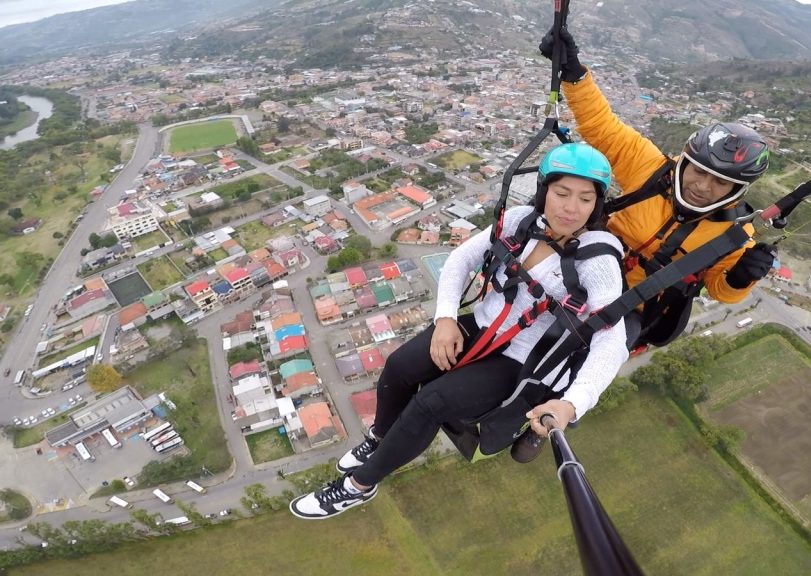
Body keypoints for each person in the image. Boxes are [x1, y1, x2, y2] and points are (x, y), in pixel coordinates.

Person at [291, 143, 629, 520]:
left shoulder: (598, 260)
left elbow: (612, 339)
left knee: (430, 403)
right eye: (562, 193)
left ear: (596, 206)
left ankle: (359, 485)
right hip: (481, 325)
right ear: (544, 191)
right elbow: (460, 259)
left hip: (520, 359)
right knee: (399, 367)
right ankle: (380, 438)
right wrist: (446, 319)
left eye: (585, 199)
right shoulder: (521, 221)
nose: (571, 207)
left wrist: (573, 403)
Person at [540, 26, 778, 348]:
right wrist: (574, 73)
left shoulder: (733, 234)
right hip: (583, 268)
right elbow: (602, 127)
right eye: (698, 171)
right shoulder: (650, 168)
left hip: (635, 306)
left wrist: (740, 277)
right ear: (685, 162)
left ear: (736, 190)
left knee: (580, 352)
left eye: (720, 182)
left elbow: (720, 289)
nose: (703, 187)